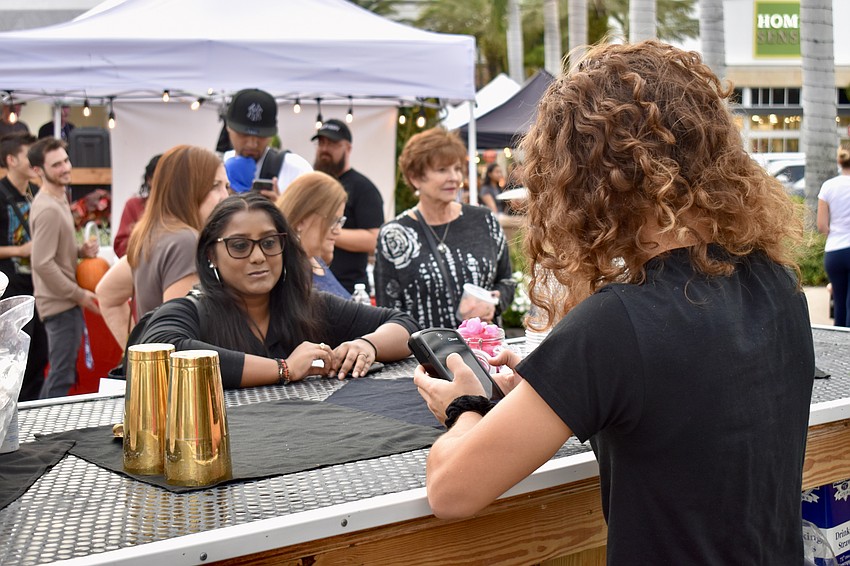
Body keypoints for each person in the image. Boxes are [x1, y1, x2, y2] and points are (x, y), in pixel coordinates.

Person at [413, 41, 815, 564]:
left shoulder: (617, 323)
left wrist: (464, 407)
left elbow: (451, 492)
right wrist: (553, 390)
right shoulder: (778, 283)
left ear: (586, 179)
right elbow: (685, 430)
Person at [138, 193, 419, 388]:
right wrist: (284, 369)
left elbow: (405, 325)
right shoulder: (192, 310)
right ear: (211, 254)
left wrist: (367, 345)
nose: (258, 256)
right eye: (239, 245)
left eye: (269, 242)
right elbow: (161, 349)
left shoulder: (309, 306)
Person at [374, 127, 515, 329]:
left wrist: (494, 302)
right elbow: (387, 312)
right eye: (442, 170)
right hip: (425, 357)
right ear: (415, 178)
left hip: (484, 354)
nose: (454, 178)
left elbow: (507, 281)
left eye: (457, 169)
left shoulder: (484, 220)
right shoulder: (395, 235)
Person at [96, 146, 228, 347]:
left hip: (160, 373)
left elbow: (107, 293)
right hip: (179, 375)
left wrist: (138, 355)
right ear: (188, 188)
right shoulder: (185, 241)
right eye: (215, 186)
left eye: (226, 186)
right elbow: (181, 338)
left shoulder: (155, 234)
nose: (225, 196)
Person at [28, 137, 100, 399]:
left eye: (66, 160)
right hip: (59, 304)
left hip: (64, 302)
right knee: (61, 377)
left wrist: (80, 252)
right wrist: (79, 294)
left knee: (63, 373)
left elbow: (52, 254)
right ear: (39, 171)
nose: (65, 167)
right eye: (56, 164)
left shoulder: (57, 199)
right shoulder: (47, 207)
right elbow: (42, 263)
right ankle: (41, 436)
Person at [0, 133, 48, 401]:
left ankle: (34, 408)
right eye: (28, 155)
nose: (33, 161)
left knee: (40, 353)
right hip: (11, 287)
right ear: (11, 159)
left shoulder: (36, 192)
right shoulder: (1, 193)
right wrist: (18, 250)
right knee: (14, 356)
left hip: (39, 284)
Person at [312, 119, 384, 294]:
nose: (324, 149)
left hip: (350, 288)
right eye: (321, 143)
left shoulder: (363, 188)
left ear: (348, 148)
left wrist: (322, 231)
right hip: (312, 283)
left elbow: (374, 239)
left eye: (332, 144)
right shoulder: (313, 184)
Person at [222, 88, 312, 197]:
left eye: (261, 136)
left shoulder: (297, 169)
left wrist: (281, 208)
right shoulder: (220, 168)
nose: (252, 144)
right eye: (243, 135)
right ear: (228, 128)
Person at [276, 171, 351, 299]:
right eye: (332, 220)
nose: (338, 230)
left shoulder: (315, 261)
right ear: (302, 218)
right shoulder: (286, 272)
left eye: (340, 221)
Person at [817, 146, 850, 327]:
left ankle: (839, 349)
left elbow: (822, 226)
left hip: (835, 251)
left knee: (839, 303)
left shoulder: (828, 186)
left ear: (839, 161)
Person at [113, 154, 161, 258]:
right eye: (161, 177)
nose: (165, 183)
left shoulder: (181, 209)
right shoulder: (133, 205)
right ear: (149, 180)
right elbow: (120, 247)